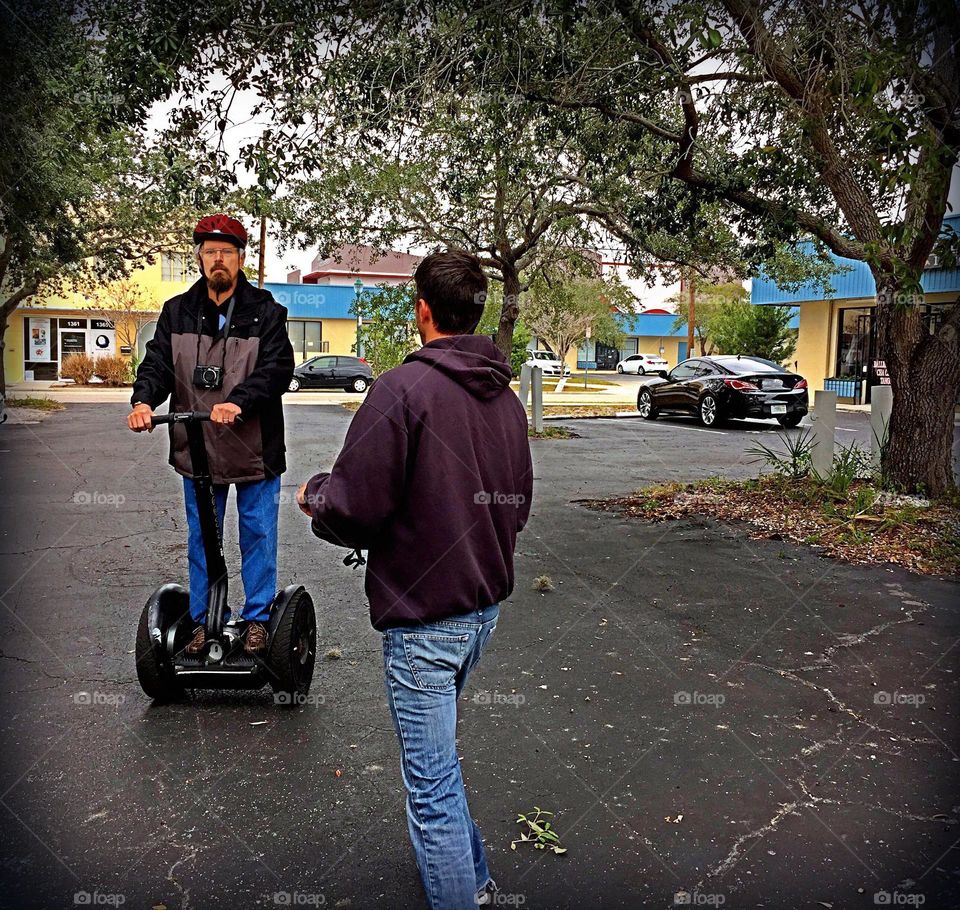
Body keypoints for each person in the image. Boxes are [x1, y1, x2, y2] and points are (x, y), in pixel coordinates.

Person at [297, 250, 533, 909]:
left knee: (430, 789)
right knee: (439, 766)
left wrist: (316, 494)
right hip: (482, 612)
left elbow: (353, 506)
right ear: (475, 311)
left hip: (426, 621)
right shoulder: (506, 401)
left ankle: (466, 891)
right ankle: (477, 880)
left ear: (423, 309)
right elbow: (518, 509)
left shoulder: (401, 390)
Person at [128, 214, 294, 656]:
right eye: (209, 252)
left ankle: (258, 619)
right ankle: (204, 622)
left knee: (257, 534)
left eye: (227, 252)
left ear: (241, 258)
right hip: (197, 449)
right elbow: (158, 363)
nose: (218, 260)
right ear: (199, 258)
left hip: (254, 448)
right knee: (203, 537)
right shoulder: (177, 311)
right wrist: (143, 400)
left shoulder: (267, 312)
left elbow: (277, 370)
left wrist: (239, 400)